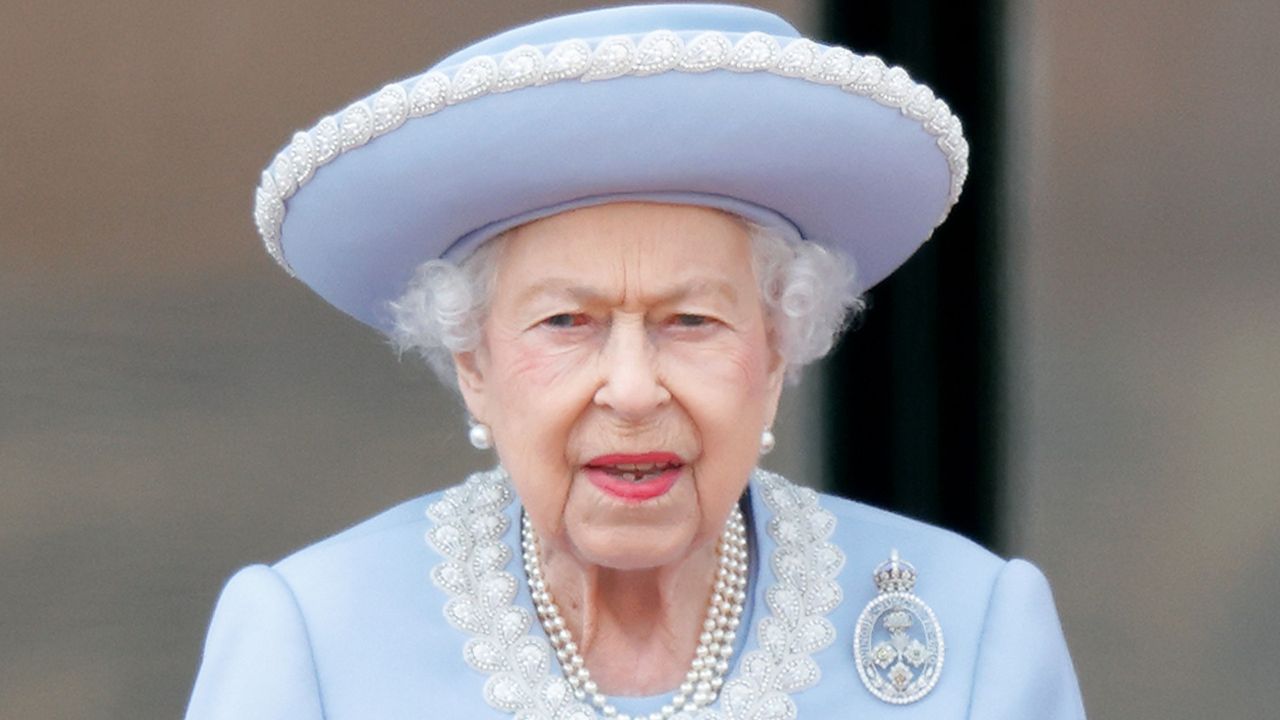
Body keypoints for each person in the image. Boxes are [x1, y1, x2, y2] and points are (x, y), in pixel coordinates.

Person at [188, 4, 1085, 719]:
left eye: (690, 320)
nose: (629, 389)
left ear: (776, 350)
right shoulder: (311, 636)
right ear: (473, 363)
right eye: (567, 321)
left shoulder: (972, 630)